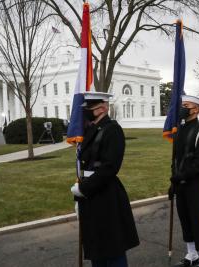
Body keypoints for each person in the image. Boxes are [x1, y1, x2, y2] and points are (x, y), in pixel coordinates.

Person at [70, 91, 139, 267]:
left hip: (105, 194)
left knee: (112, 247)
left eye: (89, 108)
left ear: (102, 108)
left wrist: (84, 189)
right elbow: (85, 164)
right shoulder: (91, 129)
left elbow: (109, 168)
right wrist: (80, 195)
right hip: (90, 194)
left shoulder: (112, 130)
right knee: (95, 247)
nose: (85, 111)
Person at [169, 95, 199, 267]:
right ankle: (192, 254)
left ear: (196, 109)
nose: (182, 108)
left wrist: (182, 175)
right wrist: (173, 181)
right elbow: (176, 159)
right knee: (185, 219)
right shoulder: (180, 130)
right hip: (180, 184)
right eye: (182, 105)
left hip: (196, 184)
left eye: (186, 105)